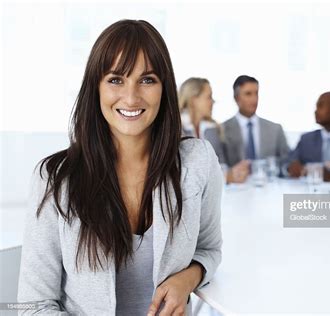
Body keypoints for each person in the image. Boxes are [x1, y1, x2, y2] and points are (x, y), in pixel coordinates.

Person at [17, 20, 222, 315]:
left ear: (165, 88)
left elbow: (210, 249)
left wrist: (186, 279)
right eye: (116, 79)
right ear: (95, 87)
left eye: (147, 80)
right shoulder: (54, 178)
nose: (131, 97)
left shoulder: (196, 161)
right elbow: (33, 307)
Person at [178, 77, 250, 183]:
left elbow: (221, 164)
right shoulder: (176, 129)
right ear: (194, 100)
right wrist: (225, 177)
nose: (213, 101)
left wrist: (234, 172)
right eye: (209, 97)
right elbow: (183, 172)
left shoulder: (213, 128)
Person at [222, 75, 290, 174]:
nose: (254, 99)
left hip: (269, 185)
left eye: (256, 93)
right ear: (236, 98)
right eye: (248, 94)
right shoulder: (222, 130)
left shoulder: (275, 129)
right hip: (235, 187)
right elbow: (219, 166)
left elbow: (287, 162)